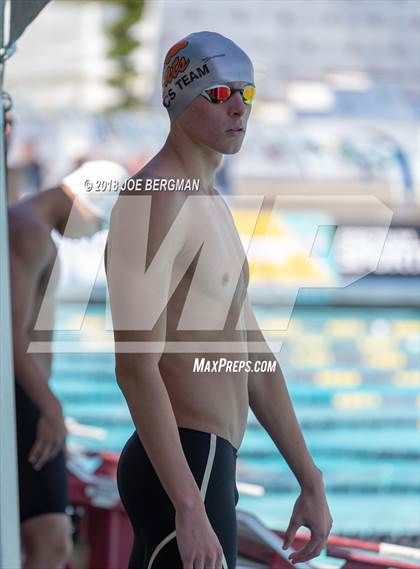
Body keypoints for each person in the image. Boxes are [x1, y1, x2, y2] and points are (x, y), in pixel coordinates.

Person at [105, 31, 333, 569]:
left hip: (207, 466)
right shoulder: (153, 198)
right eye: (220, 93)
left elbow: (252, 354)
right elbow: (135, 368)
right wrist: (188, 505)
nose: (238, 108)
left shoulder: (209, 202)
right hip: (185, 467)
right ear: (181, 97)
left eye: (246, 94)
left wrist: (310, 475)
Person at [9, 160, 128, 569]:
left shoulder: (32, 228)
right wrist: (50, 407)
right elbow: (11, 333)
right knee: (51, 542)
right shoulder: (28, 230)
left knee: (38, 541)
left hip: (28, 399)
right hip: (25, 401)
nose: (93, 235)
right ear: (85, 202)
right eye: (98, 224)